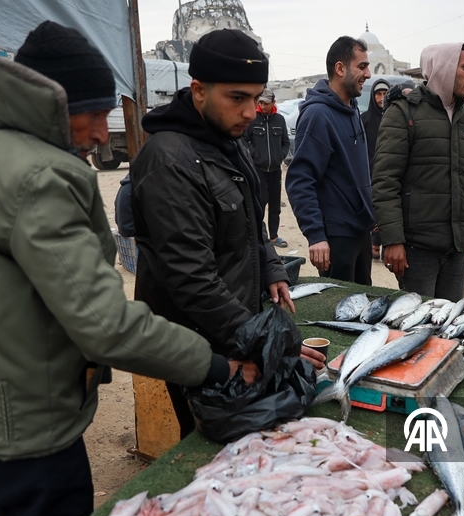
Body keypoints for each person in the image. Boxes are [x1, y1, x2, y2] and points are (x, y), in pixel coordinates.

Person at [0, 21, 255, 516]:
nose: (102, 134)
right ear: (51, 105)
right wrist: (218, 366)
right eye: (93, 114)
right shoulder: (39, 176)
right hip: (27, 415)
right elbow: (107, 325)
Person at [130, 29, 325, 437]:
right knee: (211, 447)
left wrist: (271, 267)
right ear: (198, 90)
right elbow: (191, 279)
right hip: (197, 343)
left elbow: (251, 218)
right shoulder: (170, 161)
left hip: (234, 323)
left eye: (255, 98)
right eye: (237, 98)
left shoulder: (226, 140)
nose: (250, 112)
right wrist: (265, 340)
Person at [372, 42, 464, 300]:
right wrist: (392, 240)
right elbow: (385, 181)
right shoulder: (403, 112)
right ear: (444, 69)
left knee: (451, 321)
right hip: (417, 251)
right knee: (418, 321)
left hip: (456, 251)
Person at [286, 36, 375, 285]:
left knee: (364, 302)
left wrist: (371, 213)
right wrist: (316, 235)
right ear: (340, 68)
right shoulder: (318, 114)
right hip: (337, 236)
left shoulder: (353, 109)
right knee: (341, 306)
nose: (368, 74)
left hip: (360, 231)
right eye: (362, 66)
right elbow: (300, 180)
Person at [242, 88, 290, 248]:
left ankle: (274, 236)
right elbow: (245, 140)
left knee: (275, 204)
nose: (262, 106)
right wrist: (255, 155)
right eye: (260, 102)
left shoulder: (279, 120)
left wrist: (280, 155)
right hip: (258, 169)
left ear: (273, 103)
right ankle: (258, 236)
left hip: (275, 170)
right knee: (260, 201)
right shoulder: (253, 119)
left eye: (266, 103)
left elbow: (285, 142)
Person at [361, 78, 391, 260]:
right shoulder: (364, 119)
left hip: (391, 171)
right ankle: (374, 243)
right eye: (378, 94)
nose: (382, 98)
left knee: (388, 208)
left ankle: (385, 243)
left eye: (385, 94)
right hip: (370, 172)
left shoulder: (395, 118)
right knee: (374, 208)